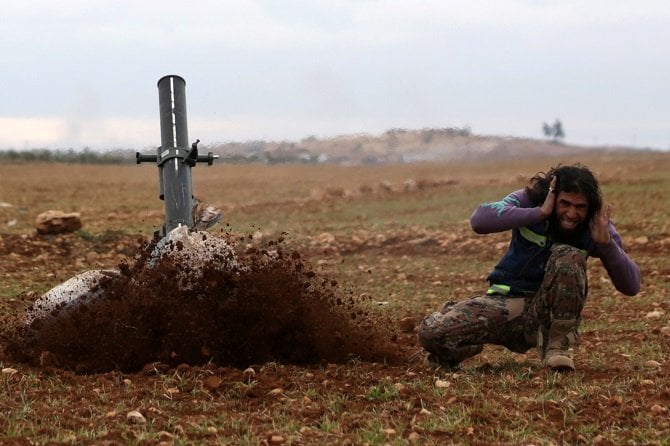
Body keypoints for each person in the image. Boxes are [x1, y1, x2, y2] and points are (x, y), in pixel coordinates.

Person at [417, 164, 641, 371]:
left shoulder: (597, 225)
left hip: (546, 314)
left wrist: (607, 245)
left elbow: (631, 285)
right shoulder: (530, 200)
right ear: (552, 197)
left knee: (568, 254)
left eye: (580, 207)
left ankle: (558, 345)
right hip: (506, 306)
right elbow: (479, 220)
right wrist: (539, 213)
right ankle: (460, 347)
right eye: (565, 204)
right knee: (432, 334)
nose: (572, 214)